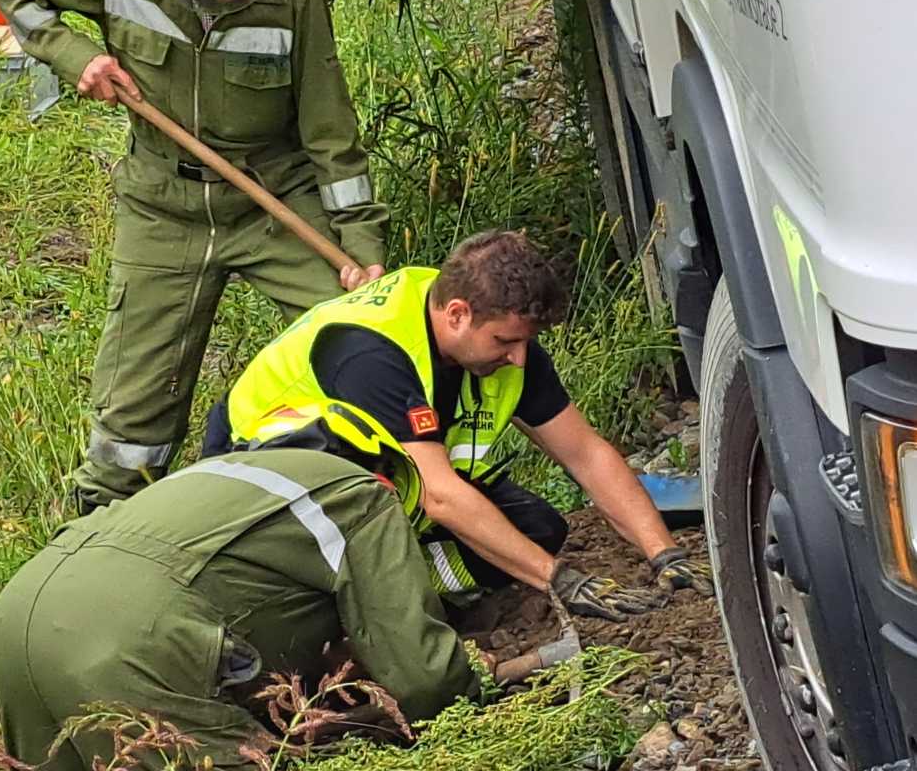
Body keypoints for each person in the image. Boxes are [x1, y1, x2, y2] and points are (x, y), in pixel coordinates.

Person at [0, 0, 387, 511]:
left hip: (272, 200)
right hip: (162, 207)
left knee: (358, 343)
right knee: (136, 402)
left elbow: (330, 134)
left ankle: (363, 497)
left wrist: (363, 252)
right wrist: (75, 56)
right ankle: (103, 525)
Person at [203, 229, 714, 619]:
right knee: (428, 510)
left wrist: (663, 553)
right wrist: (559, 581)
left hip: (395, 484)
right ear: (456, 314)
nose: (517, 360)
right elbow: (439, 494)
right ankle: (356, 602)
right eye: (504, 343)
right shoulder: (371, 351)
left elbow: (585, 453)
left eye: (523, 343)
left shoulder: (503, 344)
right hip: (267, 489)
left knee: (537, 529)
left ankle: (410, 587)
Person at [0, 426, 481, 771]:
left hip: (18, 613)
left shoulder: (219, 477)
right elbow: (423, 677)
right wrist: (477, 713)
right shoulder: (359, 494)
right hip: (126, 637)